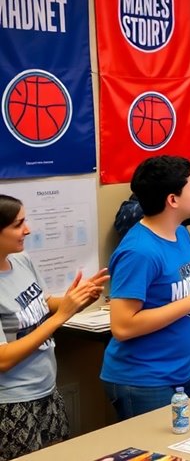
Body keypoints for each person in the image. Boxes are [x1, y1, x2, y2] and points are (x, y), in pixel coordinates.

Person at [101, 156, 190, 420]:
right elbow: (122, 326)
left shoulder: (181, 233)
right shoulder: (139, 251)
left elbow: (179, 304)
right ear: (172, 200)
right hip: (144, 380)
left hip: (183, 370)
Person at [0, 195, 107, 460]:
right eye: (18, 224)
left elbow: (46, 303)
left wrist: (78, 299)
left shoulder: (22, 260)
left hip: (47, 389)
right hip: (11, 403)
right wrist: (62, 316)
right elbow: (3, 359)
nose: (28, 230)